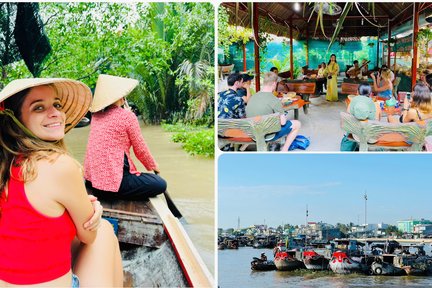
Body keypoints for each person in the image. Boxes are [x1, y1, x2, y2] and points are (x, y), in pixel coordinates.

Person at [0, 78, 123, 287]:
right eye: (39, 107)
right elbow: (88, 235)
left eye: (56, 104)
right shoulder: (60, 165)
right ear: (16, 120)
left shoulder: (6, 167)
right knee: (103, 230)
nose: (55, 112)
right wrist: (92, 208)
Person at [84, 74, 166, 201]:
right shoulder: (127, 117)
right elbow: (140, 148)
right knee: (160, 183)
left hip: (92, 182)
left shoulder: (96, 116)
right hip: (112, 187)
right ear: (119, 97)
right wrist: (153, 166)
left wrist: (126, 113)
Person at [245, 72, 301, 152]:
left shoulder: (252, 97)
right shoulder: (274, 100)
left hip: (252, 132)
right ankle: (284, 150)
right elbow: (283, 123)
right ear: (274, 84)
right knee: (297, 124)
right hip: (267, 134)